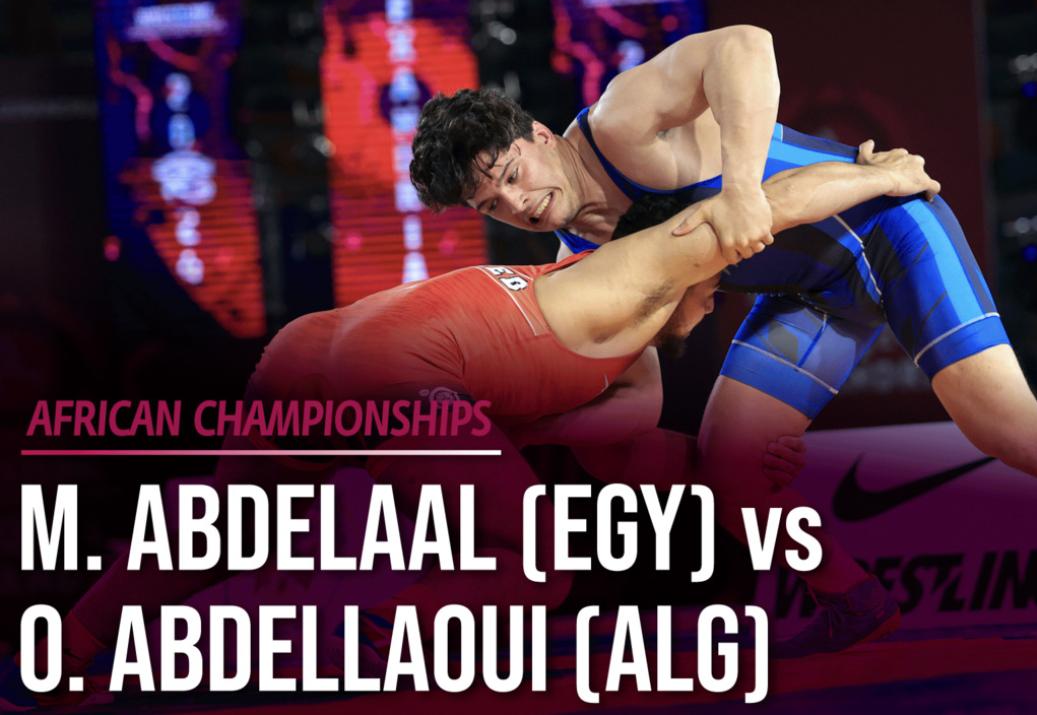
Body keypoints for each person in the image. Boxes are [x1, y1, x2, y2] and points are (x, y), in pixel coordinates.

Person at [409, 25, 1037, 655]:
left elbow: (744, 44)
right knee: (731, 464)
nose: (515, 204)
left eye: (511, 175)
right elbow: (638, 400)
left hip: (887, 229)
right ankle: (851, 596)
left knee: (1007, 429)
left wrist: (743, 185)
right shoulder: (580, 259)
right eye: (490, 205)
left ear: (537, 137)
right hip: (810, 291)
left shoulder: (621, 123)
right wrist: (525, 427)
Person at [0, 155, 935, 709]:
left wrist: (739, 466)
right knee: (540, 564)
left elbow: (639, 462)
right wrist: (886, 176)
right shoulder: (641, 274)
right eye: (717, 287)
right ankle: (372, 643)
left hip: (315, 348)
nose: (719, 302)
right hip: (402, 377)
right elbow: (768, 202)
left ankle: (61, 656)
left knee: (219, 527)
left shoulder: (611, 339)